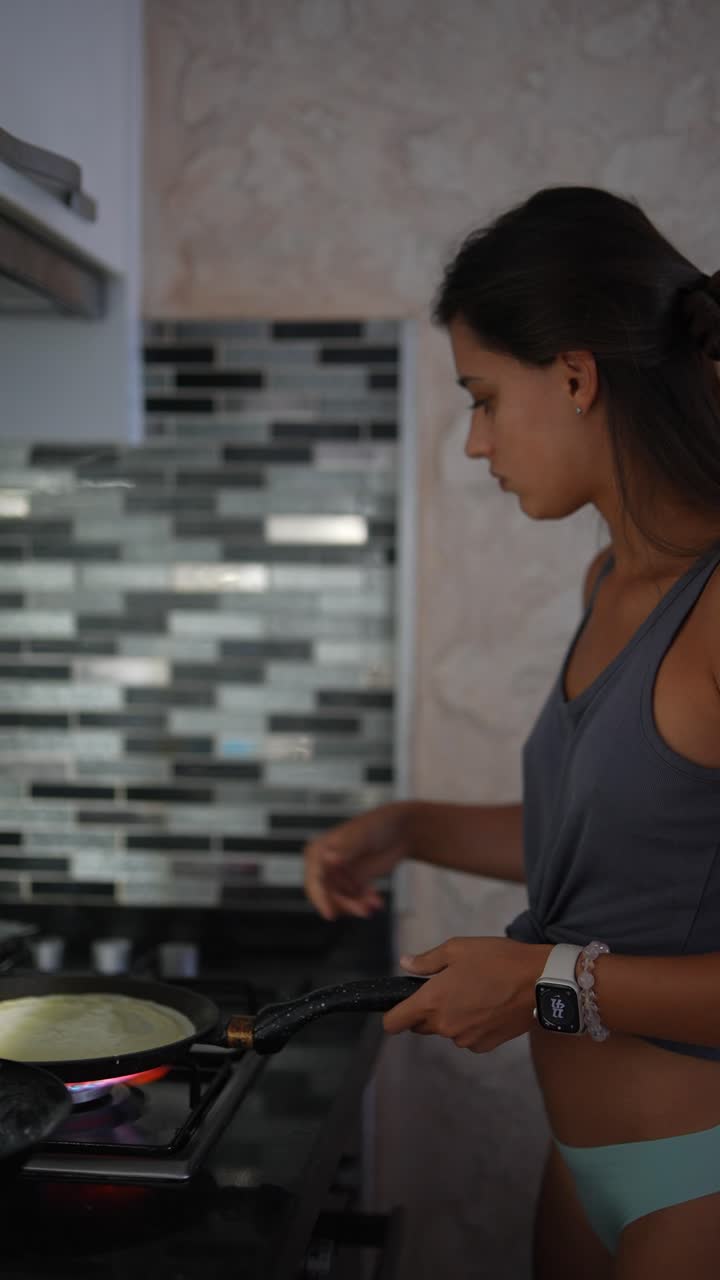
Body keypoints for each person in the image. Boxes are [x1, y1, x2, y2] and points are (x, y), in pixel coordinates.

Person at [303, 185, 720, 1280]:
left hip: (703, 1176)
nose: (477, 441)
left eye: (484, 397)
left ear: (576, 376)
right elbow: (626, 845)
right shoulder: (610, 579)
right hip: (584, 1165)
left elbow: (580, 951)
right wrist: (414, 825)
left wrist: (548, 980)